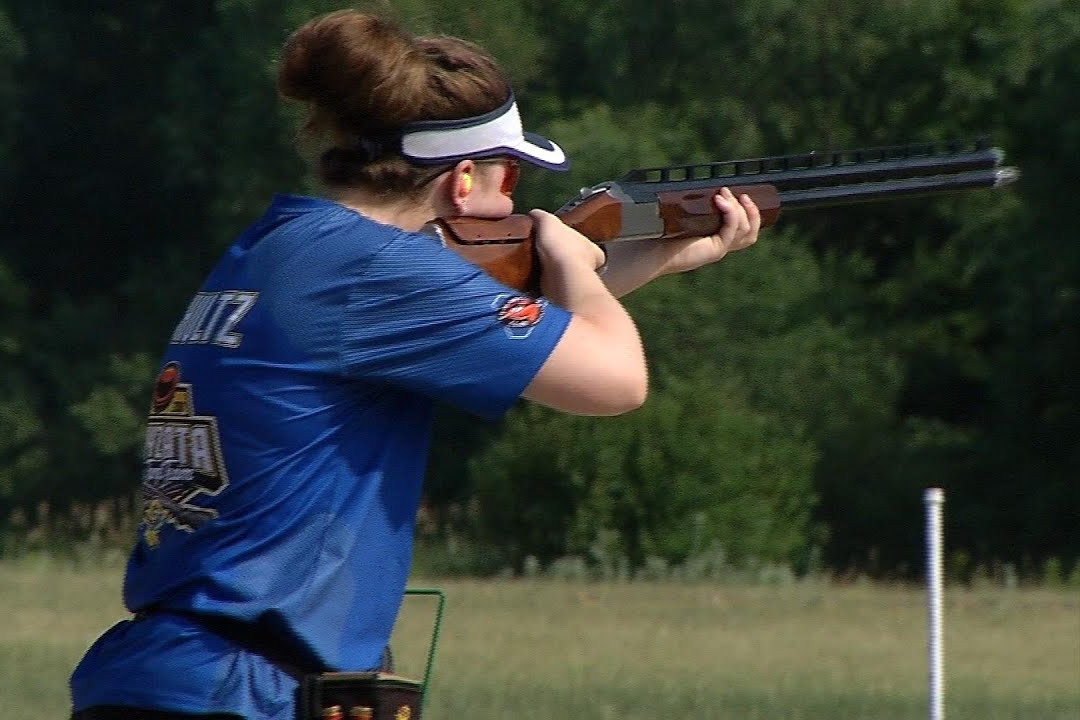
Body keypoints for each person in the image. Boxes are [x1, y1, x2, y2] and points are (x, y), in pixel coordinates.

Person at [68, 8, 760, 720]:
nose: (516, 206)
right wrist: (575, 263)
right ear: (462, 182)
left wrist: (658, 256)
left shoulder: (290, 245)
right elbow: (617, 382)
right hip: (243, 693)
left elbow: (508, 326)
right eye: (510, 181)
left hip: (179, 676)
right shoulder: (375, 270)